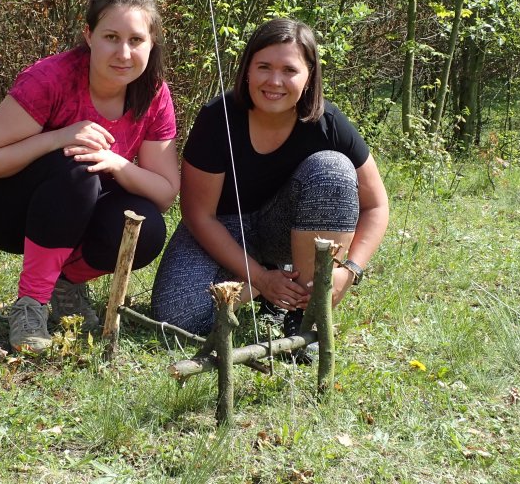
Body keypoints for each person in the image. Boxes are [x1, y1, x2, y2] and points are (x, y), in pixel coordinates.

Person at [0, 0, 179, 353]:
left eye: (136, 40)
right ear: (89, 35)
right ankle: (30, 305)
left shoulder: (154, 95)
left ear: (152, 42)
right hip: (2, 207)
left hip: (78, 209)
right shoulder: (50, 79)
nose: (123, 53)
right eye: (111, 37)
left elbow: (164, 193)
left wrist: (117, 163)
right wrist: (60, 137)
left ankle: (66, 282)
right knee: (77, 167)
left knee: (147, 226)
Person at [151, 18, 389, 337]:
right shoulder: (217, 118)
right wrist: (261, 279)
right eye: (264, 67)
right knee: (177, 316)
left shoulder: (328, 124)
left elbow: (376, 206)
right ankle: (266, 285)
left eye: (290, 70)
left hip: (289, 232)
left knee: (333, 168)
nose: (275, 81)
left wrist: (350, 270)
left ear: (309, 76)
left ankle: (305, 314)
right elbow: (199, 216)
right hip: (225, 228)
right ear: (247, 70)